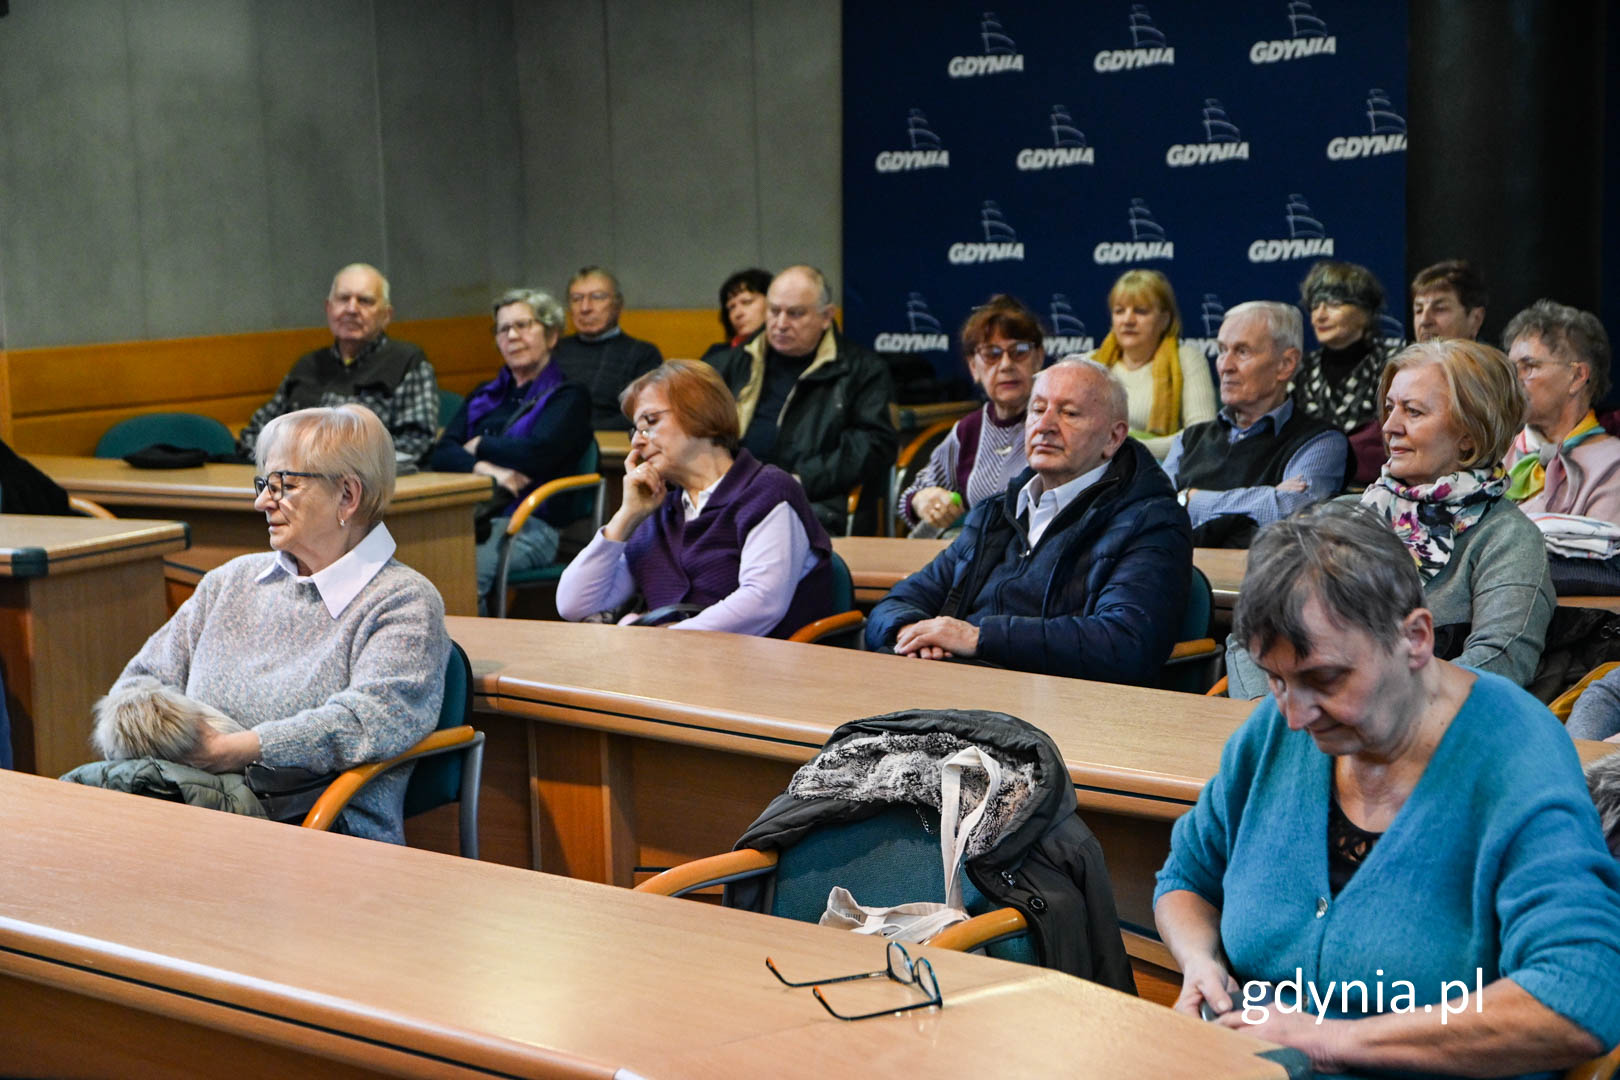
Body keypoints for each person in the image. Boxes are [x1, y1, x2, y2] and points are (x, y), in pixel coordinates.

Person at [1155, 504, 1620, 1078]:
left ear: (1416, 637)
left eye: (1325, 679)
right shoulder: (1273, 733)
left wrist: (1334, 1038)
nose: (1294, 715)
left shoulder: (1515, 758)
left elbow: (1578, 1000)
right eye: (1276, 680)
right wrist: (1201, 962)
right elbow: (1185, 880)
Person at [107, 405, 450, 843]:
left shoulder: (403, 600)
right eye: (263, 484)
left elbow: (369, 720)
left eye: (283, 485)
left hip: (323, 836)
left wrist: (237, 750)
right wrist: (152, 727)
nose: (261, 502)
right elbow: (139, 681)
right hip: (194, 820)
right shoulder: (231, 581)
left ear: (348, 495)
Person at [1225, 339, 1553, 698]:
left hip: (1429, 739)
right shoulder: (1336, 519)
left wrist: (1370, 707)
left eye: (1413, 412)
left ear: (1468, 435)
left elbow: (1500, 661)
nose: (1390, 426)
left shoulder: (1506, 537)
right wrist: (1270, 716)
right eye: (1389, 408)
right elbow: (1254, 633)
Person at [865, 360, 1191, 682]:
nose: (1044, 425)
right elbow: (898, 601)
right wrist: (911, 633)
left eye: (1069, 413)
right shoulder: (995, 512)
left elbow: (1124, 644)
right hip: (955, 685)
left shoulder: (1153, 522)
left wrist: (978, 638)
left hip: (1053, 708)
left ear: (1113, 438)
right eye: (1037, 410)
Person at [555, 359, 835, 637]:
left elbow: (761, 604)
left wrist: (664, 638)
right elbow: (574, 604)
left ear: (700, 414)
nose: (637, 442)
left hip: (760, 673)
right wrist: (626, 516)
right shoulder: (657, 511)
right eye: (635, 430)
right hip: (667, 671)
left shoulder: (767, 492)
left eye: (650, 423)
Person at [427, 289, 592, 612]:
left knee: (461, 575)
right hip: (471, 517)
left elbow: (538, 453)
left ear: (552, 334)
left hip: (531, 524)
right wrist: (489, 470)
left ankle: (475, 660)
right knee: (430, 560)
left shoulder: (569, 396)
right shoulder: (484, 395)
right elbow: (442, 451)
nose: (512, 335)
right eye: (503, 329)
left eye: (523, 325)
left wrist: (480, 445)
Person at [706, 265, 898, 535]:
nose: (781, 323)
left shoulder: (861, 370)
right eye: (774, 311)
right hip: (729, 495)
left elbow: (874, 444)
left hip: (809, 502)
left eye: (795, 314)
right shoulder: (732, 363)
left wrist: (800, 479)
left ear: (826, 316)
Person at [1161, 302, 1348, 547]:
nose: (1225, 366)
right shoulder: (1189, 439)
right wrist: (1267, 497)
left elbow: (1292, 513)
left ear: (1286, 364)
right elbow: (1151, 508)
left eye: (1242, 352)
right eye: (1221, 350)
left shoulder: (1321, 442)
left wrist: (1189, 498)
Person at [238, 263, 439, 470]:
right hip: (296, 487)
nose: (352, 309)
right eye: (343, 299)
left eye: (365, 301)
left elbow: (416, 442)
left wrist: (330, 463)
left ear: (386, 315)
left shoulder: (407, 362)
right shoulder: (307, 366)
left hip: (370, 492)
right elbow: (257, 433)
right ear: (329, 308)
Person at [897, 294, 1042, 536]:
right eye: (991, 354)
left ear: (1038, 358)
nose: (1006, 364)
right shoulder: (969, 430)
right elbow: (909, 497)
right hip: (976, 560)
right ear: (974, 367)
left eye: (1019, 351)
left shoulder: (1056, 421)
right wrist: (923, 500)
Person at [1503, 299, 1620, 523]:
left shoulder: (1613, 466)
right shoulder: (1493, 453)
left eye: (1529, 366)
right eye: (1510, 369)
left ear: (1577, 377)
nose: (1514, 380)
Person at [1085, 269, 1215, 460]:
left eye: (1140, 311)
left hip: (1160, 473)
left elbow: (1201, 435)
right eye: (1120, 311)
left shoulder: (1187, 359)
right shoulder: (1089, 364)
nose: (1128, 320)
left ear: (1164, 319)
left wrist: (1124, 446)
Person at [1292, 260, 1393, 486]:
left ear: (1365, 312)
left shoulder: (1394, 366)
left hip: (1378, 489)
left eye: (1333, 304)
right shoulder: (1298, 369)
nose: (1320, 315)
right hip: (1307, 489)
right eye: (1315, 306)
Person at [550, 266, 664, 431]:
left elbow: (645, 413)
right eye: (576, 299)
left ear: (618, 305)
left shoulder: (643, 354)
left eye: (597, 297)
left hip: (611, 445)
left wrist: (580, 434)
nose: (585, 308)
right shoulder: (553, 350)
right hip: (550, 442)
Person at [701, 268, 773, 361]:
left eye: (747, 302)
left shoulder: (789, 351)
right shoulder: (716, 356)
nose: (738, 313)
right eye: (731, 307)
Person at [1411, 259, 1488, 343]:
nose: (1424, 321)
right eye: (1418, 310)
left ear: (1476, 319)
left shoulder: (1492, 356)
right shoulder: (1404, 356)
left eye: (1440, 309)